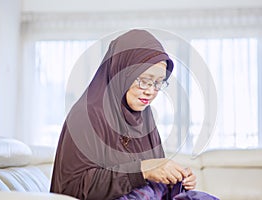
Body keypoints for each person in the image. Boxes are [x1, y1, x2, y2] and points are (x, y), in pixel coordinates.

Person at [50, 29, 218, 200]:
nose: (151, 91)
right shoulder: (86, 115)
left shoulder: (145, 116)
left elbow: (153, 183)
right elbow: (71, 188)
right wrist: (142, 170)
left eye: (158, 83)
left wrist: (175, 180)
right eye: (145, 81)